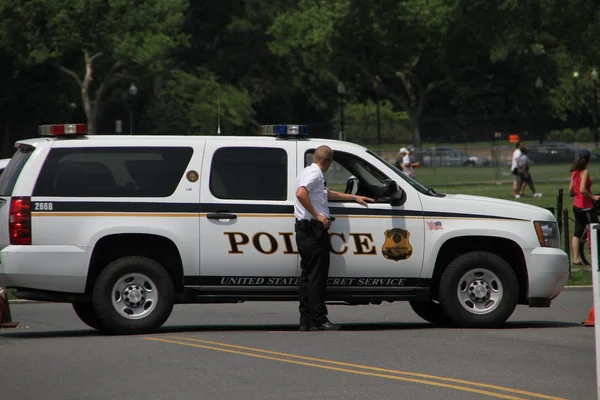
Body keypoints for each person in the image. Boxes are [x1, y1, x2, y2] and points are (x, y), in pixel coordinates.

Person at [294, 145, 374, 331]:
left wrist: (353, 197)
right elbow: (301, 194)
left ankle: (306, 320)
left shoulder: (308, 172)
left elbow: (324, 194)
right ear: (329, 162)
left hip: (305, 231)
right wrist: (318, 215)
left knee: (308, 276)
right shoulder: (314, 175)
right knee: (317, 277)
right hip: (313, 231)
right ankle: (319, 319)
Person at [568, 149, 600, 265]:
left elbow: (570, 190)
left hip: (576, 206)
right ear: (588, 159)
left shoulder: (575, 172)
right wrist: (592, 197)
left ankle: (576, 259)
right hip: (586, 206)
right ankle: (596, 257)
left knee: (577, 232)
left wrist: (575, 194)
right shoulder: (585, 172)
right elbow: (582, 189)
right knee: (596, 229)